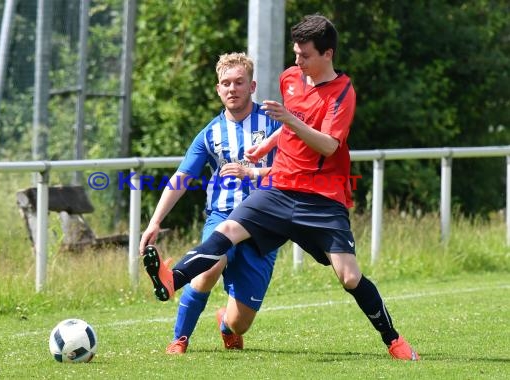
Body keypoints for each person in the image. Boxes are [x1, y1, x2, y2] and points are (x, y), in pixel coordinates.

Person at [143, 14, 420, 361]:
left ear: (327, 54)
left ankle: (394, 341)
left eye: (305, 55)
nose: (297, 62)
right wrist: (267, 143)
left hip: (321, 198)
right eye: (295, 54)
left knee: (349, 277)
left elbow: (329, 145)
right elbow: (292, 123)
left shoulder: (342, 93)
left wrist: (286, 122)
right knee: (226, 228)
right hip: (279, 189)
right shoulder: (290, 78)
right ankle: (173, 280)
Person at [140, 52, 281, 354]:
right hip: (223, 216)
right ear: (218, 89)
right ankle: (180, 338)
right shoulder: (210, 134)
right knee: (208, 268)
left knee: (240, 323)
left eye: (239, 82)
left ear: (252, 86)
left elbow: (293, 170)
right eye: (226, 83)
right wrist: (155, 221)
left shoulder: (273, 125)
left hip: (264, 224)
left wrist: (254, 172)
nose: (232, 88)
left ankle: (226, 323)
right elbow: (181, 178)